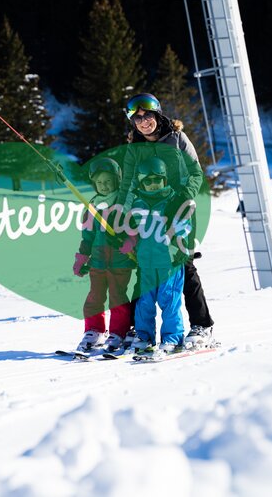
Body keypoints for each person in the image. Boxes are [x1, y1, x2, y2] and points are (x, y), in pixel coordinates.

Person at [118, 93, 216, 348]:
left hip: (179, 208)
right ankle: (138, 329)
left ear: (157, 114)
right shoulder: (134, 148)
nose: (143, 122)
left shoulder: (178, 139)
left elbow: (195, 172)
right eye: (137, 118)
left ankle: (201, 325)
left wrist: (183, 196)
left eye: (147, 116)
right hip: (146, 210)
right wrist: (122, 213)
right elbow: (127, 183)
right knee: (144, 264)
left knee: (182, 265)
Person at [127, 157, 192, 355]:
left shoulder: (172, 202)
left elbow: (183, 225)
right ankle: (144, 336)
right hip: (146, 262)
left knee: (169, 300)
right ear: (141, 183)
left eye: (157, 179)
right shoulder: (137, 205)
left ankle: (173, 338)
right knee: (144, 302)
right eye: (148, 180)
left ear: (164, 180)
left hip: (169, 262)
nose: (153, 184)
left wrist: (178, 247)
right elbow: (133, 230)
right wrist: (129, 245)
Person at [72, 157, 137, 353]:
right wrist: (82, 257)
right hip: (98, 261)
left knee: (117, 297)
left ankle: (119, 332)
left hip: (120, 260)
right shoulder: (92, 206)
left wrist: (129, 242)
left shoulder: (124, 203)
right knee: (94, 297)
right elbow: (88, 236)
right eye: (99, 182)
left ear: (117, 180)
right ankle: (94, 330)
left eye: (108, 181)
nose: (104, 186)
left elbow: (134, 229)